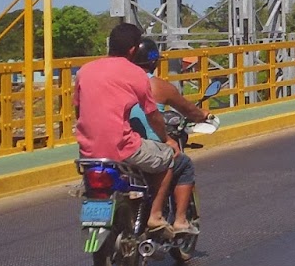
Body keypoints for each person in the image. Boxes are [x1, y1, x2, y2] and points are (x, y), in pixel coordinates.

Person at [74, 23, 184, 234]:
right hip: (123, 148)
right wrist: (167, 140)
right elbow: (152, 115)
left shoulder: (85, 71)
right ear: (133, 50)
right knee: (168, 157)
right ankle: (155, 216)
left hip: (88, 151)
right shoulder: (136, 74)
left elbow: (78, 111)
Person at [124, 37, 209, 233]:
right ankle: (179, 221)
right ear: (154, 62)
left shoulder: (117, 84)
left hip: (114, 147)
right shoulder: (157, 86)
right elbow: (188, 110)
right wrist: (203, 115)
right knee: (183, 164)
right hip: (143, 149)